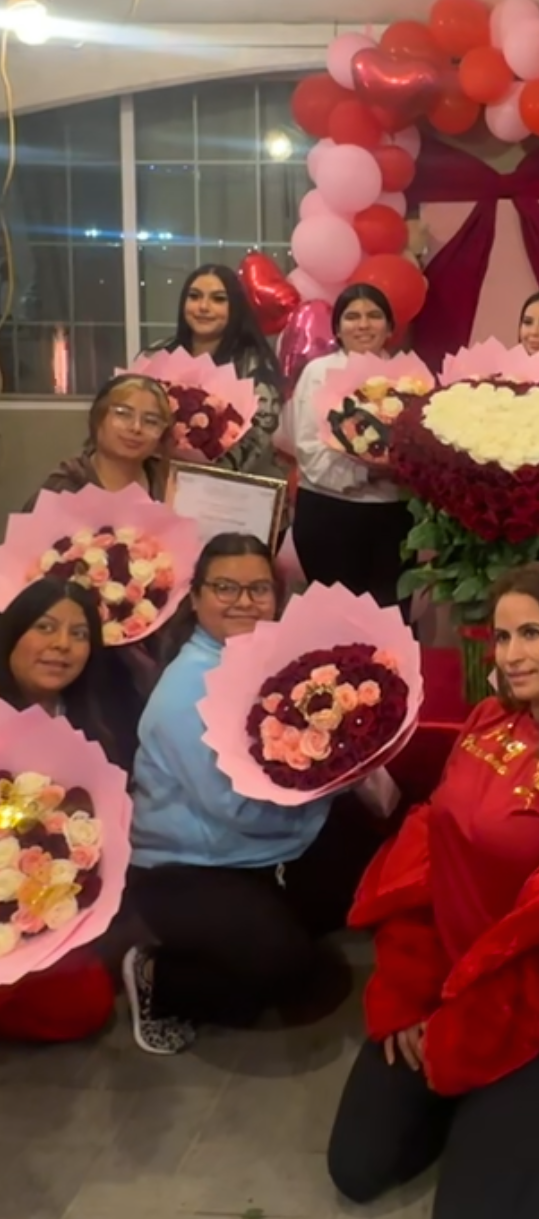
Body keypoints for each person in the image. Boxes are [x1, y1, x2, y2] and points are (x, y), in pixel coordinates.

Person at [327, 562, 539, 1217]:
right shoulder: (487, 719)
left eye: (531, 633)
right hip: (449, 978)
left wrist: (461, 1031)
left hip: (538, 1006)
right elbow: (428, 855)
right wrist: (409, 991)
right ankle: (482, 1108)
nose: (511, 655)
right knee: (358, 1167)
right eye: (503, 636)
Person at [121, 533, 381, 1055]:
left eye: (259, 589)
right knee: (284, 970)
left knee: (372, 870)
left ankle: (262, 919)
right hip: (187, 867)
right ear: (195, 599)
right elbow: (237, 811)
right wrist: (330, 785)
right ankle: (158, 977)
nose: (244, 601)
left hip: (259, 849)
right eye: (226, 588)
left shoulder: (264, 660)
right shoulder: (185, 693)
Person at [0, 579, 146, 1042]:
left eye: (79, 634)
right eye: (45, 627)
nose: (62, 645)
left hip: (44, 902)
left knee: (84, 1006)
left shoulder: (96, 719)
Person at [285, 284, 412, 609]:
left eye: (374, 315)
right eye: (352, 317)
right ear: (338, 329)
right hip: (329, 512)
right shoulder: (318, 373)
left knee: (392, 617)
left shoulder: (409, 377)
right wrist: (368, 472)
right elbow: (309, 449)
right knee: (334, 620)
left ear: (390, 327)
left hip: (392, 516)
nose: (363, 324)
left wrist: (400, 467)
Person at [141, 263, 287, 479]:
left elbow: (258, 440)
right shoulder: (157, 354)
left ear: (235, 307)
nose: (203, 307)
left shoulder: (255, 364)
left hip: (234, 490)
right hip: (160, 481)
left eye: (218, 299)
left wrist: (202, 475)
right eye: (194, 296)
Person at [28, 374, 173, 508]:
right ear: (98, 418)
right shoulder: (62, 489)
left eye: (151, 421)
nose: (136, 428)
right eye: (123, 414)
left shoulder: (171, 485)